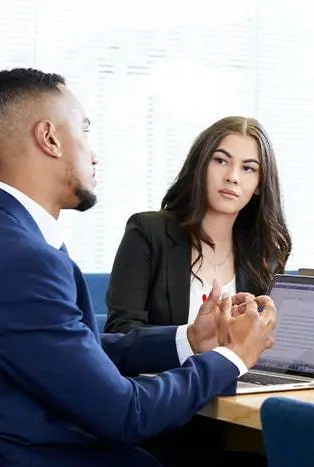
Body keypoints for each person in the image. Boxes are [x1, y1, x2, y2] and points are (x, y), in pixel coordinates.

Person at [0, 68, 276, 467]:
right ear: (50, 138)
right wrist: (232, 357)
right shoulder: (21, 258)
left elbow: (75, 348)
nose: (94, 152)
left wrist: (189, 339)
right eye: (84, 130)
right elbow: (127, 415)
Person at [105, 116, 291, 333]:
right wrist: (190, 339)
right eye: (221, 161)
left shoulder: (262, 254)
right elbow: (120, 333)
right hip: (168, 368)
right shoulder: (147, 233)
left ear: (259, 185)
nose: (232, 177)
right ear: (199, 165)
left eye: (248, 168)